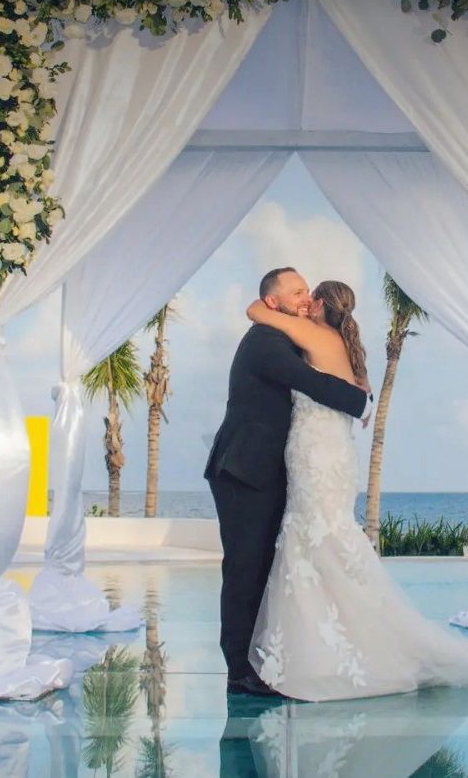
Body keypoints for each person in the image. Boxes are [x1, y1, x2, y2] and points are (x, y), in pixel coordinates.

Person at [244, 278, 468, 701]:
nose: (301, 303)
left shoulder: (314, 334)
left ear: (318, 305)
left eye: (306, 295)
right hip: (334, 455)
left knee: (314, 540)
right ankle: (340, 642)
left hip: (315, 455)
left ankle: (323, 653)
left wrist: (277, 305)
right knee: (328, 540)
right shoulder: (346, 346)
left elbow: (256, 312)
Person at [205, 267, 370, 698]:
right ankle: (238, 669)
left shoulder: (286, 336)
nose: (304, 297)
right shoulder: (266, 341)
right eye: (297, 291)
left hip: (266, 470)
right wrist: (359, 400)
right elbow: (311, 383)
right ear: (273, 302)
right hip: (243, 470)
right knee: (243, 567)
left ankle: (252, 660)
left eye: (306, 290)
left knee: (260, 566)